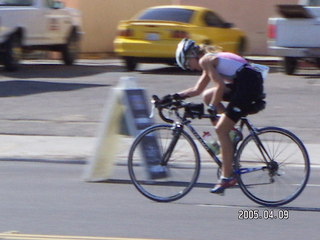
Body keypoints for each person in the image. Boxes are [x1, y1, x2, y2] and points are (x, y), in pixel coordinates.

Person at [170, 38, 265, 194]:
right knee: (207, 96)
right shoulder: (208, 61)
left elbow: (220, 86)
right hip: (245, 81)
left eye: (188, 64)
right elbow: (197, 89)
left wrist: (214, 107)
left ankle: (226, 177)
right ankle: (231, 132)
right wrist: (174, 97)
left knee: (221, 129)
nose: (190, 68)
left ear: (192, 56)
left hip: (248, 83)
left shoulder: (205, 61)